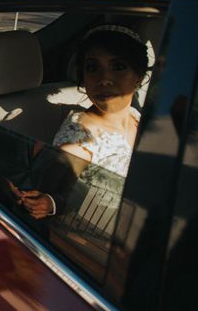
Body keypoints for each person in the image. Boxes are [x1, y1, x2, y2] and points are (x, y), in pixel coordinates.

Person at [18, 24, 149, 219]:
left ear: (138, 76)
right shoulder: (79, 137)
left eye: (118, 67)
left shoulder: (136, 116)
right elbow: (54, 205)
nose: (104, 79)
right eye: (92, 67)